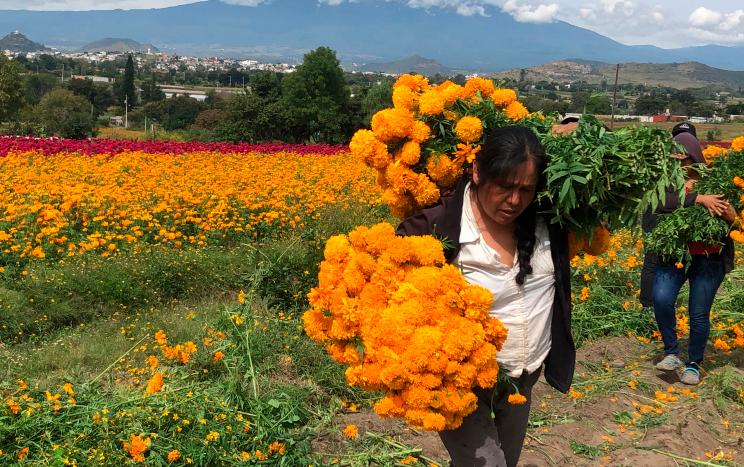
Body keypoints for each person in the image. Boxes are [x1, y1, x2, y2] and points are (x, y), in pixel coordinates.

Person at [397, 125, 575, 467]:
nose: (514, 200)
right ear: (477, 171)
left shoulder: (549, 220)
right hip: (461, 384)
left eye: (526, 189)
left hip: (523, 372)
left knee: (503, 461)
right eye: (505, 186)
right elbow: (389, 282)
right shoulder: (437, 229)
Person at [651, 131, 736, 385]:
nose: (679, 165)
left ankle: (694, 363)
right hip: (675, 255)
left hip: (709, 258)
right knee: (661, 298)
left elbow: (734, 217)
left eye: (684, 160)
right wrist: (698, 199)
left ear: (695, 159)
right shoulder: (665, 181)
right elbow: (658, 202)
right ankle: (672, 352)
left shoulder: (716, 180)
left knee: (698, 312)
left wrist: (729, 212)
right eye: (674, 160)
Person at [639, 123, 698, 309]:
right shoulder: (658, 163)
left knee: (673, 262)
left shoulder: (696, 168)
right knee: (652, 260)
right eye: (677, 139)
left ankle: (663, 302)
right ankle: (648, 306)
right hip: (655, 217)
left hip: (678, 224)